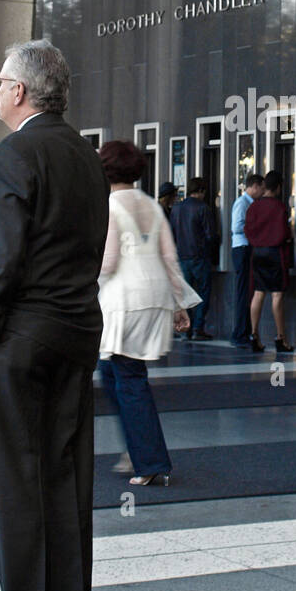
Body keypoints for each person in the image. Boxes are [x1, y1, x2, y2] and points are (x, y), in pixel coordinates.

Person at [0, 39, 108, 591]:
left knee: (14, 483)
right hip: (75, 330)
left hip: (17, 335)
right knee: (66, 477)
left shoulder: (14, 154)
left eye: (0, 82)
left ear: (19, 91)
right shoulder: (85, 154)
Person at [97, 140, 200, 488]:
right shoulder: (152, 205)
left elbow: (107, 261)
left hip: (123, 300)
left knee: (128, 378)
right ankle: (136, 448)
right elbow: (170, 258)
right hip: (154, 296)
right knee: (114, 373)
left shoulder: (109, 206)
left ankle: (150, 461)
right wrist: (178, 303)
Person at [245, 171, 295, 352]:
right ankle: (281, 337)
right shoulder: (279, 207)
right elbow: (284, 232)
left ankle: (254, 334)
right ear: (279, 187)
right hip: (276, 253)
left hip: (257, 253)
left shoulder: (253, 207)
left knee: (258, 293)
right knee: (277, 295)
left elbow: (247, 230)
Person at [170, 176, 218, 341]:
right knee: (204, 292)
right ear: (201, 191)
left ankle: (187, 327)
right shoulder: (203, 208)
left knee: (186, 294)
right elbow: (210, 235)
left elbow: (172, 234)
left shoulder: (176, 208)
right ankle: (198, 326)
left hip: (182, 257)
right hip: (200, 256)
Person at [229, 173, 263, 350]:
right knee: (243, 292)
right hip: (242, 248)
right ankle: (239, 333)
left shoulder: (250, 204)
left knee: (247, 292)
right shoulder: (242, 203)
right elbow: (236, 227)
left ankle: (243, 331)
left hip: (246, 248)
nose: (263, 192)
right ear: (254, 186)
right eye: (261, 188)